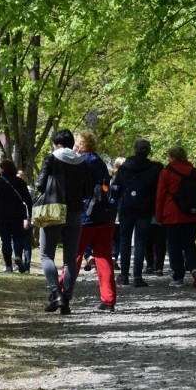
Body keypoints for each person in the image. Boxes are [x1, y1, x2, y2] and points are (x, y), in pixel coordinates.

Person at [35, 129, 92, 315]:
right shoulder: (82, 162)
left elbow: (40, 185)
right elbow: (87, 191)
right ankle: (66, 299)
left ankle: (55, 293)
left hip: (53, 209)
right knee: (70, 259)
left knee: (46, 255)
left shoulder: (51, 158)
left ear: (57, 144)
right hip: (75, 212)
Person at [73, 130, 117, 311]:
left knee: (73, 256)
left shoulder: (80, 163)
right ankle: (108, 300)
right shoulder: (100, 162)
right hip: (104, 216)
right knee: (104, 258)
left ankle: (61, 291)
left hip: (84, 216)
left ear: (80, 144)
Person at [155, 145, 196, 288]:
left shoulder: (166, 172)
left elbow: (160, 197)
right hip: (192, 215)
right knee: (189, 244)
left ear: (171, 157)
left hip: (172, 216)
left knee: (174, 246)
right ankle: (194, 268)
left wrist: (158, 217)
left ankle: (178, 277)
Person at [113, 138, 163, 287]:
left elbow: (116, 188)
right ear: (148, 151)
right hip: (144, 208)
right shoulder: (153, 170)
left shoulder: (124, 168)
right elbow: (156, 192)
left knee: (125, 241)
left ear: (134, 149)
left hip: (126, 207)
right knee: (140, 242)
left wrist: (115, 205)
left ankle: (123, 276)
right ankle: (137, 276)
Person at [0, 160, 33, 274]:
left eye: (0, 168)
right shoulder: (20, 182)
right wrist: (30, 216)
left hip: (3, 217)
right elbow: (28, 201)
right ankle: (18, 256)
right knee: (17, 237)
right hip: (18, 215)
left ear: (3, 169)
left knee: (6, 241)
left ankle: (8, 266)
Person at [16, 170, 35, 271]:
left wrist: (27, 219)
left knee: (25, 243)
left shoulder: (27, 190)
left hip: (25, 219)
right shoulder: (30, 189)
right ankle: (22, 264)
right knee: (22, 242)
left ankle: (26, 264)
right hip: (19, 219)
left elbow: (28, 206)